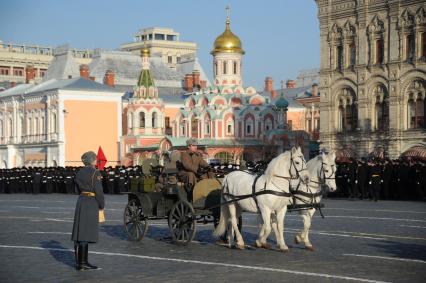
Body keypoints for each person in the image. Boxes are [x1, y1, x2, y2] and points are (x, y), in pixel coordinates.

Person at [71, 151, 105, 271]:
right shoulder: (95, 172)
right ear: (92, 160)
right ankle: (83, 263)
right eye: (95, 158)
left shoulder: (79, 172)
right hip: (91, 203)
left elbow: (76, 190)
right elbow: (99, 191)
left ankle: (81, 262)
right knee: (86, 233)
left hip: (81, 202)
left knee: (81, 232)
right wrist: (101, 205)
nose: (96, 160)